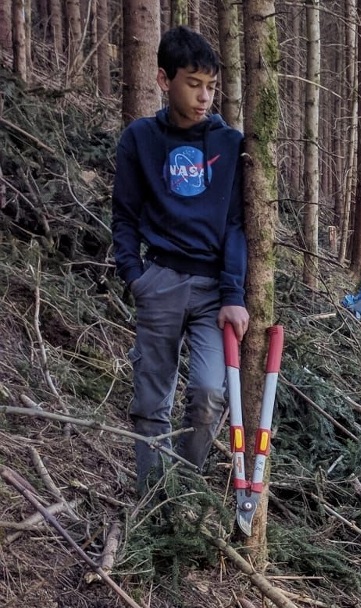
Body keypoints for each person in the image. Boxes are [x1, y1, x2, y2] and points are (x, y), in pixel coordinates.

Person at [111, 26, 249, 493]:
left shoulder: (230, 145)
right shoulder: (140, 139)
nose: (204, 96)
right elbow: (124, 216)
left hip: (214, 292)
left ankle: (184, 491)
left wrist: (234, 293)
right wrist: (136, 277)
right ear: (163, 79)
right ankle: (153, 498)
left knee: (210, 393)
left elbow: (235, 224)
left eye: (211, 86)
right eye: (193, 84)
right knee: (151, 400)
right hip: (161, 281)